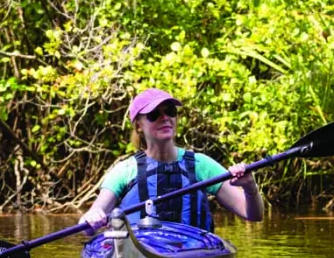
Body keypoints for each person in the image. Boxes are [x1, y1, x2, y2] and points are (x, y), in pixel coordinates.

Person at [80, 88, 263, 232]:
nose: (165, 118)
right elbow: (89, 221)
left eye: (170, 111)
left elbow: (253, 214)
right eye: (154, 115)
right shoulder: (125, 171)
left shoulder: (201, 165)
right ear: (138, 125)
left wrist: (249, 187)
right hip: (137, 250)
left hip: (192, 253)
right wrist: (92, 218)